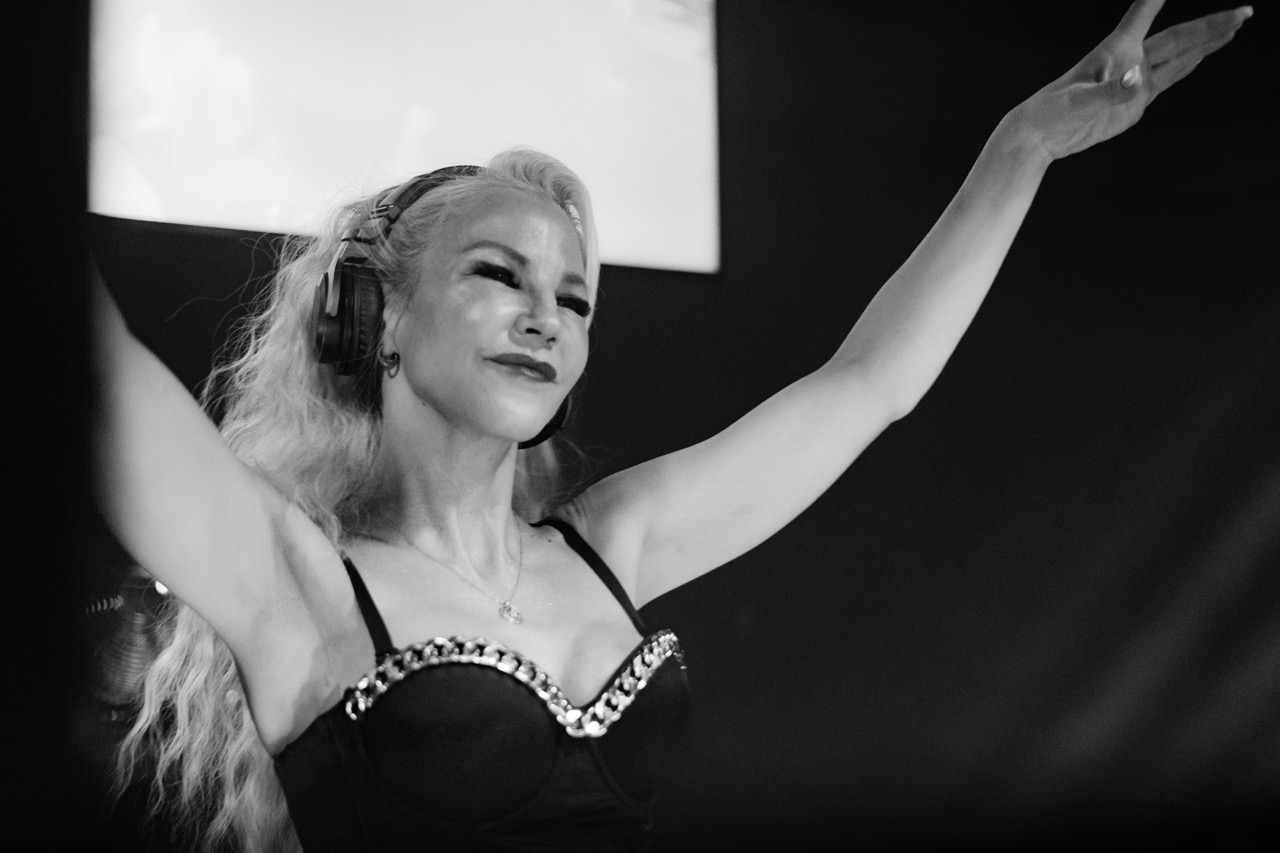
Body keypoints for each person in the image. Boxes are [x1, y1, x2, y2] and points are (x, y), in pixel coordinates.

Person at [92, 2, 1253, 850]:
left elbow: (867, 385)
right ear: (376, 314)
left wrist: (1021, 147)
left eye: (574, 300)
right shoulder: (298, 586)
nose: (544, 318)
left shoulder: (611, 543)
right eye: (497, 274)